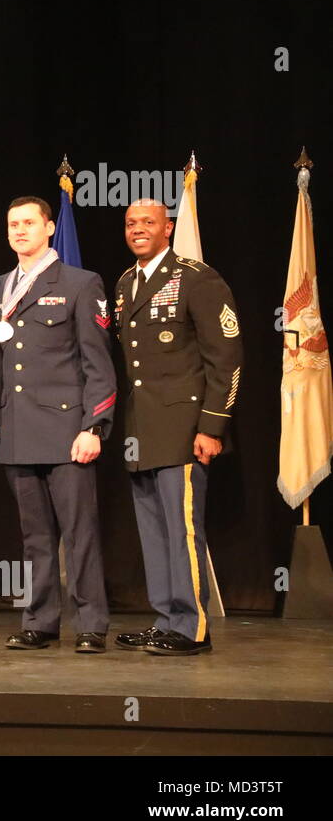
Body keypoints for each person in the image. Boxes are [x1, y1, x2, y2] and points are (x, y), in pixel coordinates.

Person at [112, 198, 243, 656]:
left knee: (183, 531)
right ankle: (167, 618)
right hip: (141, 428)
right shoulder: (126, 283)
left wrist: (212, 426)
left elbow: (225, 357)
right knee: (154, 531)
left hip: (184, 427)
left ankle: (192, 628)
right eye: (130, 223)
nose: (138, 229)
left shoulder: (196, 277)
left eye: (147, 222)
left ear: (167, 228)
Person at [0, 196, 116, 653]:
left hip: (68, 433)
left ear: (48, 228)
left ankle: (90, 624)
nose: (19, 230)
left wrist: (94, 425)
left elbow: (97, 363)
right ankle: (40, 621)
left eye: (28, 223)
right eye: (12, 224)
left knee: (79, 534)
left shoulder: (81, 283)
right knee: (35, 536)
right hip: (19, 430)